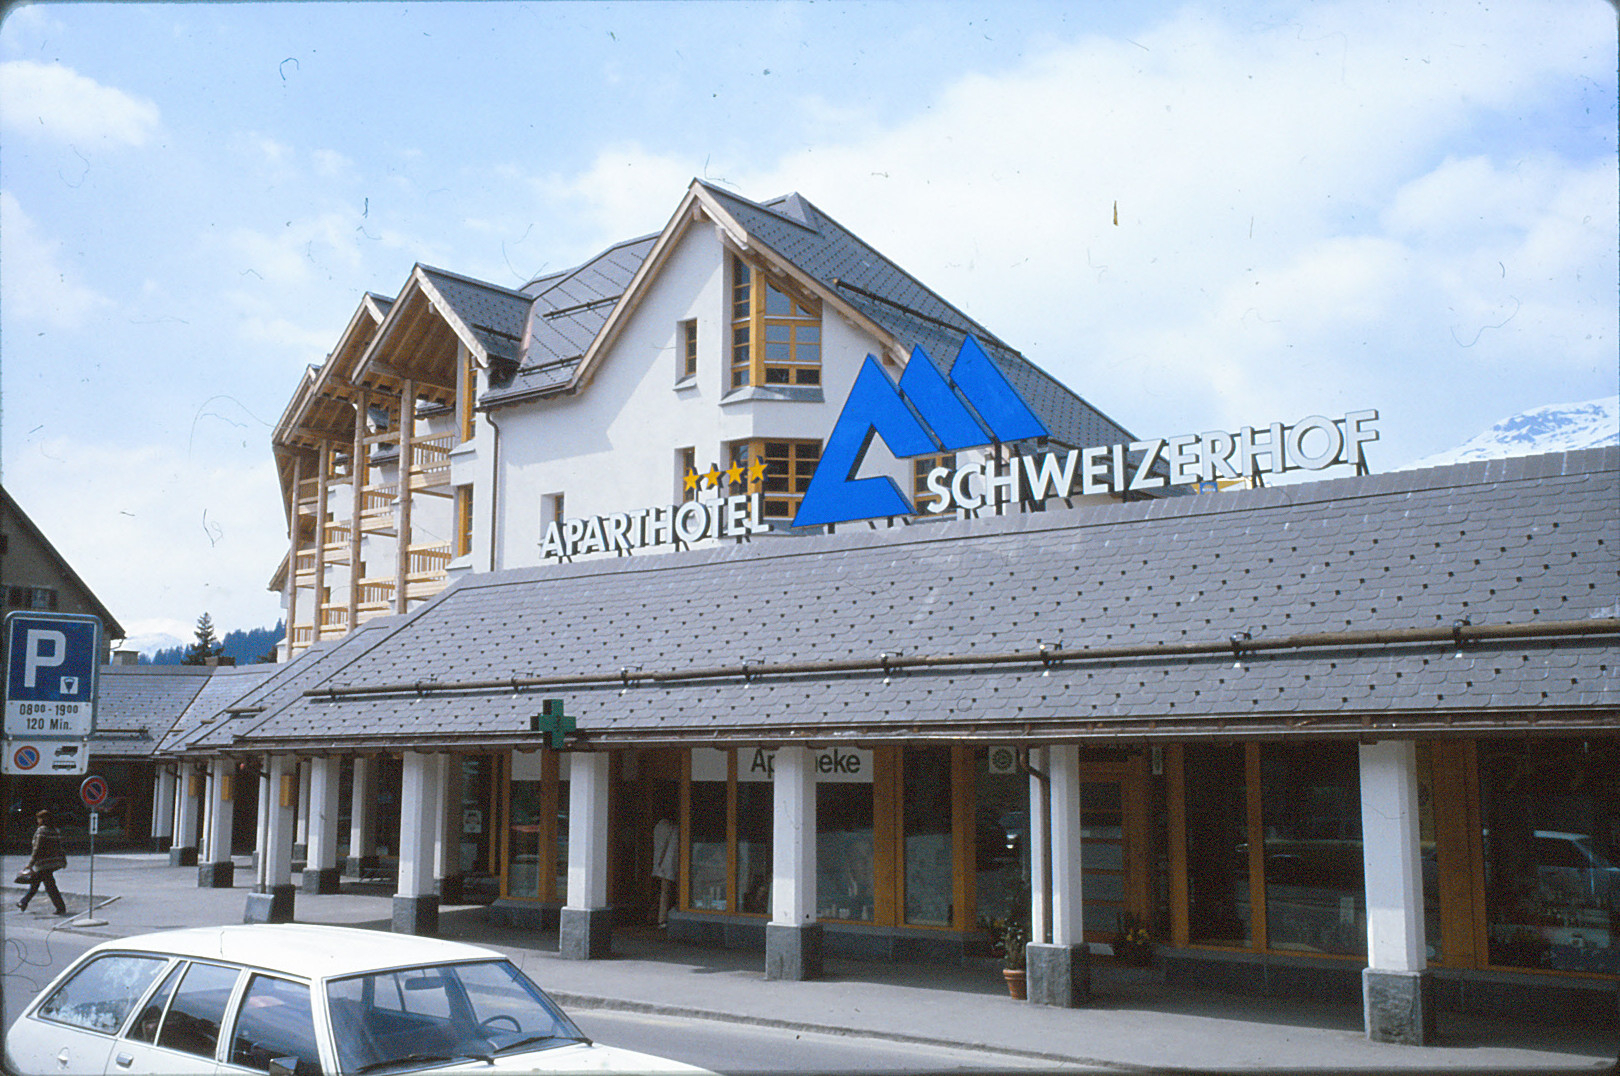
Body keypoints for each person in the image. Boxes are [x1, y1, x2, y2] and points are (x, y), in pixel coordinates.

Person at [17, 809, 68, 915]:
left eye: (38, 818)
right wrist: (63, 860)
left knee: (47, 886)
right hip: (53, 862)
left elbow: (37, 848)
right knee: (42, 884)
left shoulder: (41, 831)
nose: (37, 820)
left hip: (44, 863)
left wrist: (30, 864)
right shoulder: (55, 830)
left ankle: (60, 908)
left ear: (42, 819)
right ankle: (24, 902)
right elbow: (60, 846)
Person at [651, 814, 677, 927]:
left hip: (662, 865)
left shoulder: (658, 827)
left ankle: (660, 918)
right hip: (669, 864)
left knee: (663, 892)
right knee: (666, 892)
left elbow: (659, 848)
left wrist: (657, 865)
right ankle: (662, 919)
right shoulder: (673, 829)